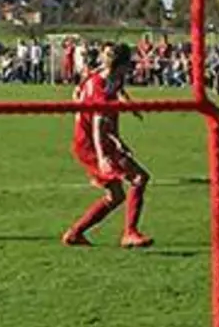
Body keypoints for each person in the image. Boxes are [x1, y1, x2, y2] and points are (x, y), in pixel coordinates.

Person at [63, 43, 153, 249]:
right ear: (120, 65)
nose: (130, 68)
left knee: (118, 194)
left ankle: (75, 234)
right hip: (90, 144)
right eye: (128, 64)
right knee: (138, 179)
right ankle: (129, 233)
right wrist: (103, 155)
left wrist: (117, 138)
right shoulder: (99, 86)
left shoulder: (111, 78)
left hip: (99, 140)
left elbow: (111, 103)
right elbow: (97, 122)